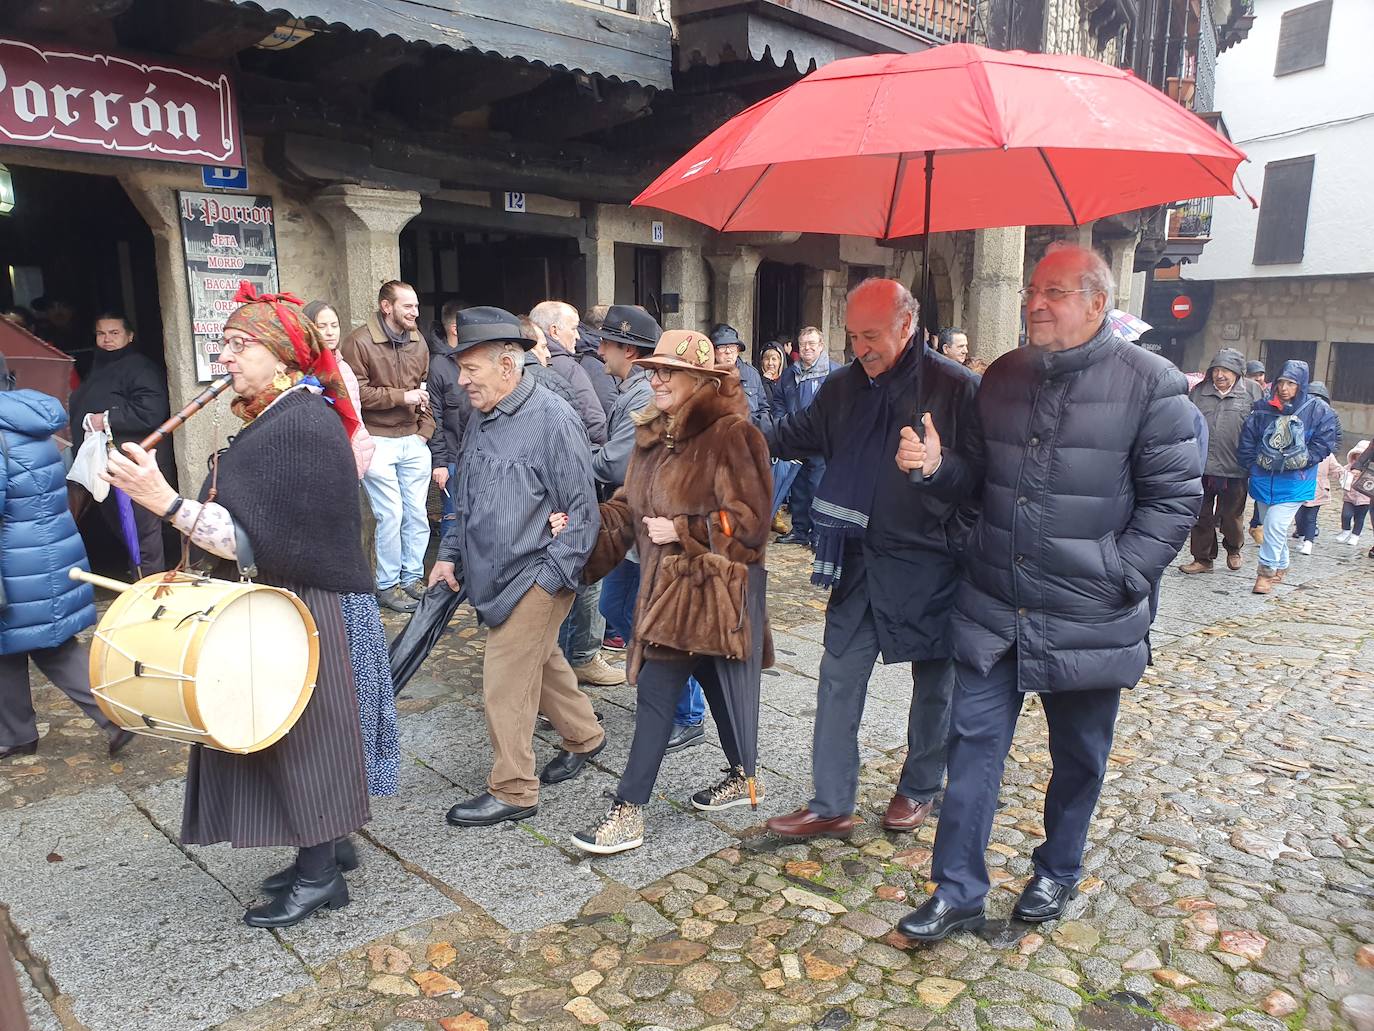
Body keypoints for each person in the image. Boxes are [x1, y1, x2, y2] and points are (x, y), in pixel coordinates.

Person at [896, 245, 1202, 942]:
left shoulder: (1151, 384)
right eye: (1032, 288)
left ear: (1098, 303)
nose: (1035, 302)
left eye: (1055, 292)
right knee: (971, 746)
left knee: (1080, 755)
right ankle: (958, 890)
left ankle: (1058, 867)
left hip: (1090, 612)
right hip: (993, 605)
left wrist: (1119, 574)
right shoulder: (1000, 376)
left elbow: (1175, 501)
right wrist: (936, 468)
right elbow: (974, 481)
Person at [102, 285, 374, 929]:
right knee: (292, 730)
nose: (223, 358)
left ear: (280, 357)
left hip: (309, 604)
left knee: (301, 735)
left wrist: (161, 499)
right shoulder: (278, 415)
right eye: (222, 344)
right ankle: (330, 846)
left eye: (237, 345)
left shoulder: (300, 424)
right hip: (287, 600)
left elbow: (249, 540)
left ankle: (320, 876)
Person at [763, 280, 980, 841]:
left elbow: (984, 479)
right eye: (853, 335)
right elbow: (790, 436)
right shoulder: (840, 388)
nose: (861, 347)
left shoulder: (955, 388)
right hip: (858, 560)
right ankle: (832, 802)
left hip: (933, 562)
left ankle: (920, 786)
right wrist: (727, 431)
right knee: (837, 677)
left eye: (873, 335)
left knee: (935, 684)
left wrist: (939, 465)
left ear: (908, 325)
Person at [571, 330, 773, 854]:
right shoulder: (654, 435)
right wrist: (581, 525)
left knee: (657, 695)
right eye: (653, 370)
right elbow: (626, 507)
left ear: (703, 380)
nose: (655, 378)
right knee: (710, 675)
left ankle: (628, 812)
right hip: (664, 587)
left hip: (704, 591)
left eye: (669, 371)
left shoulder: (733, 435)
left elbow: (751, 525)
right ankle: (745, 774)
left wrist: (686, 530)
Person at [430, 307, 606, 828]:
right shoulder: (483, 416)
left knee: (505, 681)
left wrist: (549, 579)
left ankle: (513, 788)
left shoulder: (553, 419)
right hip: (493, 572)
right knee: (543, 662)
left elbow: (582, 513)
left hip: (536, 574)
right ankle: (585, 736)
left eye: (472, 370)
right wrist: (448, 554)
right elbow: (464, 495)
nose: (461, 382)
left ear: (508, 365)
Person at [1, 355, 133, 761]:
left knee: (47, 647)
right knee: (29, 645)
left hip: (14, 563)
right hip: (43, 553)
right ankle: (17, 731)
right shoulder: (26, 420)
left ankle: (113, 718)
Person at [301, 299, 397, 803]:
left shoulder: (324, 386)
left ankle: (336, 820)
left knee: (343, 695)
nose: (228, 359)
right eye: (322, 326)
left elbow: (355, 429)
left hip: (330, 573)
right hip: (313, 565)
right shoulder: (292, 401)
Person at [340, 281, 434, 614]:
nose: (415, 313)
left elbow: (424, 387)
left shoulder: (418, 339)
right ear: (386, 307)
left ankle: (412, 577)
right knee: (391, 514)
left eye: (416, 306)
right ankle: (387, 584)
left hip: (412, 438)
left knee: (417, 514)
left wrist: (426, 430)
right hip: (377, 438)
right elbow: (356, 394)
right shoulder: (358, 342)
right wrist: (400, 397)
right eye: (408, 306)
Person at [68, 312, 170, 575]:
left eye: (114, 333)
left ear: (129, 335)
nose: (107, 339)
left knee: (141, 530)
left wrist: (107, 418)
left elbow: (152, 411)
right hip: (108, 464)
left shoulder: (139, 367)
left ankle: (150, 585)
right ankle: (137, 575)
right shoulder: (98, 367)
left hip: (133, 461)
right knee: (122, 526)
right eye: (101, 333)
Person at [1236, 360, 1340, 594]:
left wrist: (1305, 459)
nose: (1284, 388)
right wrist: (1251, 465)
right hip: (1263, 478)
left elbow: (1325, 441)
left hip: (1296, 480)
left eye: (1291, 383)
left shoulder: (1317, 409)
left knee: (1274, 524)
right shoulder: (1262, 407)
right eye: (1281, 382)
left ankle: (1265, 573)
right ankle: (1282, 564)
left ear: (1300, 385)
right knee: (1275, 528)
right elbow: (1248, 439)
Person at [1180, 348, 1261, 574]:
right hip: (1202, 466)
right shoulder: (1198, 392)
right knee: (1200, 515)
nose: (1220, 375)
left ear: (1237, 373)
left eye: (1226, 370)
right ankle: (1203, 559)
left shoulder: (1252, 393)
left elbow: (1261, 428)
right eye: (1216, 370)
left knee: (1230, 516)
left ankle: (1234, 548)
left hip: (1236, 467)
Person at [771, 326, 839, 547]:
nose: (807, 348)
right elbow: (779, 400)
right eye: (803, 344)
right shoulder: (790, 373)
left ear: (821, 346)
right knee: (798, 488)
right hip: (795, 439)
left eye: (812, 344)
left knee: (818, 488)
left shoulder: (833, 372)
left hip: (821, 441)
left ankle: (819, 534)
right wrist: (782, 424)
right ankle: (800, 530)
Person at [303, 300, 375, 478]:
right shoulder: (305, 370)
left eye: (334, 326)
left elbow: (355, 414)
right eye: (322, 326)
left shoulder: (343, 366)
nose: (330, 332)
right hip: (322, 458)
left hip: (350, 451)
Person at [529, 301, 609, 444]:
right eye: (573, 329)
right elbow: (595, 424)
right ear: (554, 331)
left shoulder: (519, 365)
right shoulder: (570, 369)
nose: (578, 336)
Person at [711, 324, 771, 432]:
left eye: (732, 346)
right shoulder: (706, 375)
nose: (728, 351)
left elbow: (763, 409)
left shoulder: (751, 374)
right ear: (713, 351)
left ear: (738, 350)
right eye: (722, 346)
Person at [1337, 440, 1371, 548]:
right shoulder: (1349, 467)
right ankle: (1345, 530)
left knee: (1360, 518)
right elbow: (1341, 475)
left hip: (1365, 499)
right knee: (1346, 515)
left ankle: (1355, 535)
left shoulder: (1370, 471)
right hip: (1349, 497)